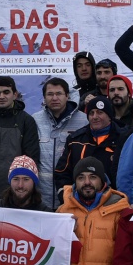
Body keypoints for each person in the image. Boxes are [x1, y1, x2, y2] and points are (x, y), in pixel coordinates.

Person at [56, 158, 131, 265]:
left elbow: (125, 258)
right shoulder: (62, 211)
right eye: (81, 178)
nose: (87, 182)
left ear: (102, 180)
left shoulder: (118, 212)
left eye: (93, 177)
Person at [55, 97, 129, 195]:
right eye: (91, 113)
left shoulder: (124, 140)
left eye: (100, 112)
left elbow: (128, 174)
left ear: (109, 116)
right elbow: (62, 172)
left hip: (112, 202)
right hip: (79, 201)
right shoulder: (75, 140)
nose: (95, 117)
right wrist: (65, 195)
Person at [34, 76, 87, 209]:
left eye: (59, 94)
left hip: (73, 199)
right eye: (50, 94)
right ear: (44, 97)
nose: (54, 98)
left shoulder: (84, 121)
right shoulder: (34, 120)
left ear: (67, 96)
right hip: (40, 199)